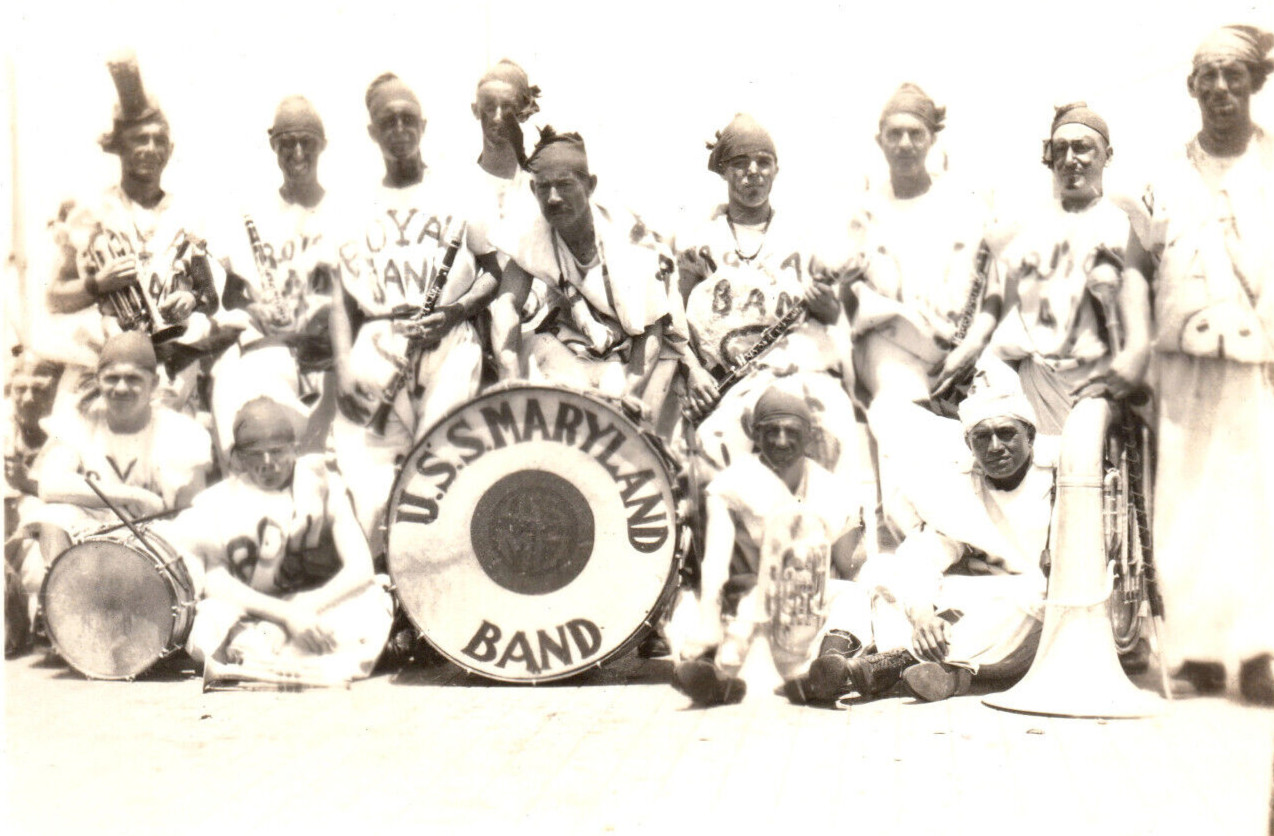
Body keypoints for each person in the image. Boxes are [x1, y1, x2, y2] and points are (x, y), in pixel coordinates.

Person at [1124, 24, 1274, 705]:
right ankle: (1194, 654)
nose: (1220, 89)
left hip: (1257, 363)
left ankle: (1259, 650)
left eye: (1233, 77)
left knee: (1253, 504)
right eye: (1207, 76)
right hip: (1181, 361)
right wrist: (1132, 355)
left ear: (1256, 84)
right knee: (1184, 501)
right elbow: (1133, 267)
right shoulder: (1162, 175)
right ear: (1192, 87)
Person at [805, 362, 1051, 704]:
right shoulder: (963, 487)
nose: (995, 447)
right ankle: (856, 664)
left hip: (1027, 607)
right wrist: (923, 613)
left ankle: (886, 664)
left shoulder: (1057, 481)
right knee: (883, 570)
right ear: (969, 443)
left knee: (1035, 596)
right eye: (982, 437)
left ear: (1031, 436)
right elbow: (928, 551)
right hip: (975, 598)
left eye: (1006, 433)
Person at [326, 72, 501, 541]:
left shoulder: (461, 190)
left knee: (442, 465)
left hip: (447, 338)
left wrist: (455, 311)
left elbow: (492, 272)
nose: (399, 129)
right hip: (380, 338)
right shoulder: (351, 204)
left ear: (423, 125)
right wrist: (342, 367)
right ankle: (381, 583)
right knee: (370, 480)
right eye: (388, 121)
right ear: (372, 132)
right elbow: (340, 298)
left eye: (408, 119)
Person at [674, 114, 862, 490]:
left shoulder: (803, 237)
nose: (753, 173)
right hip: (724, 384)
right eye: (741, 164)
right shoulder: (698, 239)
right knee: (709, 454)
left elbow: (833, 319)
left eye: (763, 162)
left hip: (798, 375)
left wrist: (825, 304)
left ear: (776, 170)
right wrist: (694, 375)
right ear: (725, 173)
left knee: (834, 427)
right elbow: (674, 321)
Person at [850, 83, 1002, 536]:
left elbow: (995, 287)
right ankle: (917, 537)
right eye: (894, 134)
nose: (904, 144)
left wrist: (971, 347)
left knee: (1001, 411)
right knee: (900, 414)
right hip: (890, 352)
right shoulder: (863, 210)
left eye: (915, 133)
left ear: (932, 138)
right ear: (879, 139)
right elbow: (849, 294)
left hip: (964, 352)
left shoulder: (964, 204)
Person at [42, 52, 223, 416]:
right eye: (140, 139)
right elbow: (55, 298)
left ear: (170, 150)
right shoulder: (89, 213)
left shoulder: (190, 215)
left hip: (168, 367)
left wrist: (191, 296)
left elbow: (211, 294)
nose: (151, 150)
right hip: (99, 368)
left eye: (160, 141)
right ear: (119, 147)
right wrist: (98, 284)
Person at [671, 385, 866, 706]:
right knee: (687, 610)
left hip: (806, 607)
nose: (780, 440)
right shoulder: (730, 486)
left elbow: (851, 565)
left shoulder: (832, 488)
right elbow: (717, 561)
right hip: (746, 601)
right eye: (770, 431)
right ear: (755, 434)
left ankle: (828, 669)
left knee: (855, 596)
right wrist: (710, 619)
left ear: (808, 434)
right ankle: (713, 676)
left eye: (791, 431)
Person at [177, 398, 393, 684]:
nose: (268, 464)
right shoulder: (215, 502)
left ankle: (258, 663)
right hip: (256, 611)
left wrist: (304, 608)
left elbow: (360, 568)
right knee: (206, 625)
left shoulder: (325, 486)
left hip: (319, 604)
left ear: (295, 448)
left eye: (277, 452)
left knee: (373, 603)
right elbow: (218, 584)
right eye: (255, 454)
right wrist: (286, 616)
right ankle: (302, 663)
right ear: (237, 457)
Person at [19, 333, 212, 626]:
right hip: (91, 543)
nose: (121, 387)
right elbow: (49, 485)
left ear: (154, 384)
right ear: (98, 380)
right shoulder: (81, 420)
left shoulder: (181, 431)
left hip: (157, 544)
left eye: (133, 378)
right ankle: (67, 616)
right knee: (52, 516)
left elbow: (192, 514)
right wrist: (134, 495)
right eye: (112, 378)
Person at [986, 103, 1151, 433]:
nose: (1070, 158)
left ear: (1108, 154)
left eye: (1082, 147)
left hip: (1111, 381)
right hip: (1041, 383)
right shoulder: (1029, 226)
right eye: (1060, 149)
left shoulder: (1128, 220)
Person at [489, 127, 673, 412]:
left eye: (564, 185)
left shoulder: (629, 238)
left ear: (590, 185)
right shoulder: (531, 231)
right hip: (567, 344)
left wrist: (628, 392)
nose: (552, 197)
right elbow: (508, 303)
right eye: (543, 186)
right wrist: (508, 365)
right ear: (532, 189)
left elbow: (652, 329)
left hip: (630, 352)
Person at [211, 95, 337, 458]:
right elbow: (232, 294)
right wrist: (255, 309)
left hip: (328, 349)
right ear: (273, 145)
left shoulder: (346, 210)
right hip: (271, 348)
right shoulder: (252, 213)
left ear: (322, 145)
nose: (297, 152)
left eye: (306, 142)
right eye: (287, 143)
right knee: (241, 400)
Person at [4, 349, 62, 655]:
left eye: (39, 390)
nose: (28, 398)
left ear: (54, 393)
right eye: (20, 389)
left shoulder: (65, 437)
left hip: (38, 542)